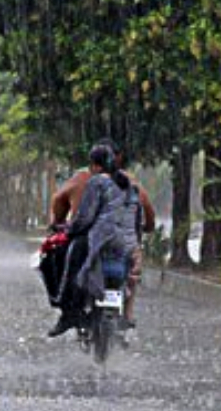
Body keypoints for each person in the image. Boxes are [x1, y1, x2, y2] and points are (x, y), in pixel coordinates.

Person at [50, 138, 155, 325]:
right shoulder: (131, 184)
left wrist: (67, 228)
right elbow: (143, 215)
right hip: (128, 244)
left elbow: (85, 217)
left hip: (100, 240)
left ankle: (68, 310)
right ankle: (128, 313)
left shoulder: (94, 182)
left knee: (72, 254)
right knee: (132, 271)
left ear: (94, 165)